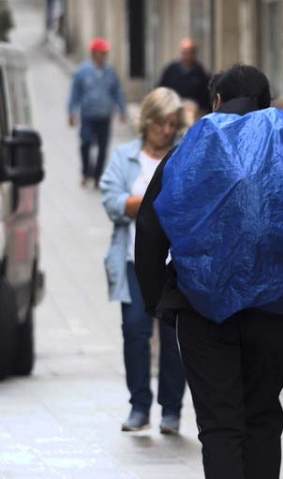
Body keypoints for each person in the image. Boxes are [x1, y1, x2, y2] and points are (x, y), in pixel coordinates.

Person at [135, 64, 283, 479]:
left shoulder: (190, 149)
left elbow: (150, 227)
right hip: (274, 311)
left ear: (216, 102)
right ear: (268, 106)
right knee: (262, 416)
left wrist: (157, 299)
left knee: (220, 424)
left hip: (202, 310)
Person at [99, 87, 187, 434]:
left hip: (174, 265)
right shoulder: (126, 157)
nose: (167, 130)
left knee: (172, 338)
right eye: (162, 123)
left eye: (172, 124)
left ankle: (171, 410)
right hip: (135, 263)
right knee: (135, 332)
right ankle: (138, 405)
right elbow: (111, 200)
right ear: (147, 121)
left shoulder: (182, 155)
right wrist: (150, 201)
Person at [67, 38, 128, 188]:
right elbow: (75, 93)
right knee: (85, 143)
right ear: (94, 54)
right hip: (88, 115)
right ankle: (86, 172)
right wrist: (71, 112)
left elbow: (117, 92)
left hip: (104, 115)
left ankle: (97, 175)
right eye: (100, 53)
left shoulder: (110, 73)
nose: (102, 56)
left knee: (103, 147)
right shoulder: (82, 72)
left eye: (104, 53)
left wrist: (122, 110)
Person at [158, 38, 213, 115]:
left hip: (194, 111)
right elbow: (162, 88)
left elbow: (206, 95)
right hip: (174, 108)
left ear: (194, 53)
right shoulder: (171, 70)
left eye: (189, 52)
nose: (187, 56)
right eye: (184, 52)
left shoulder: (200, 72)